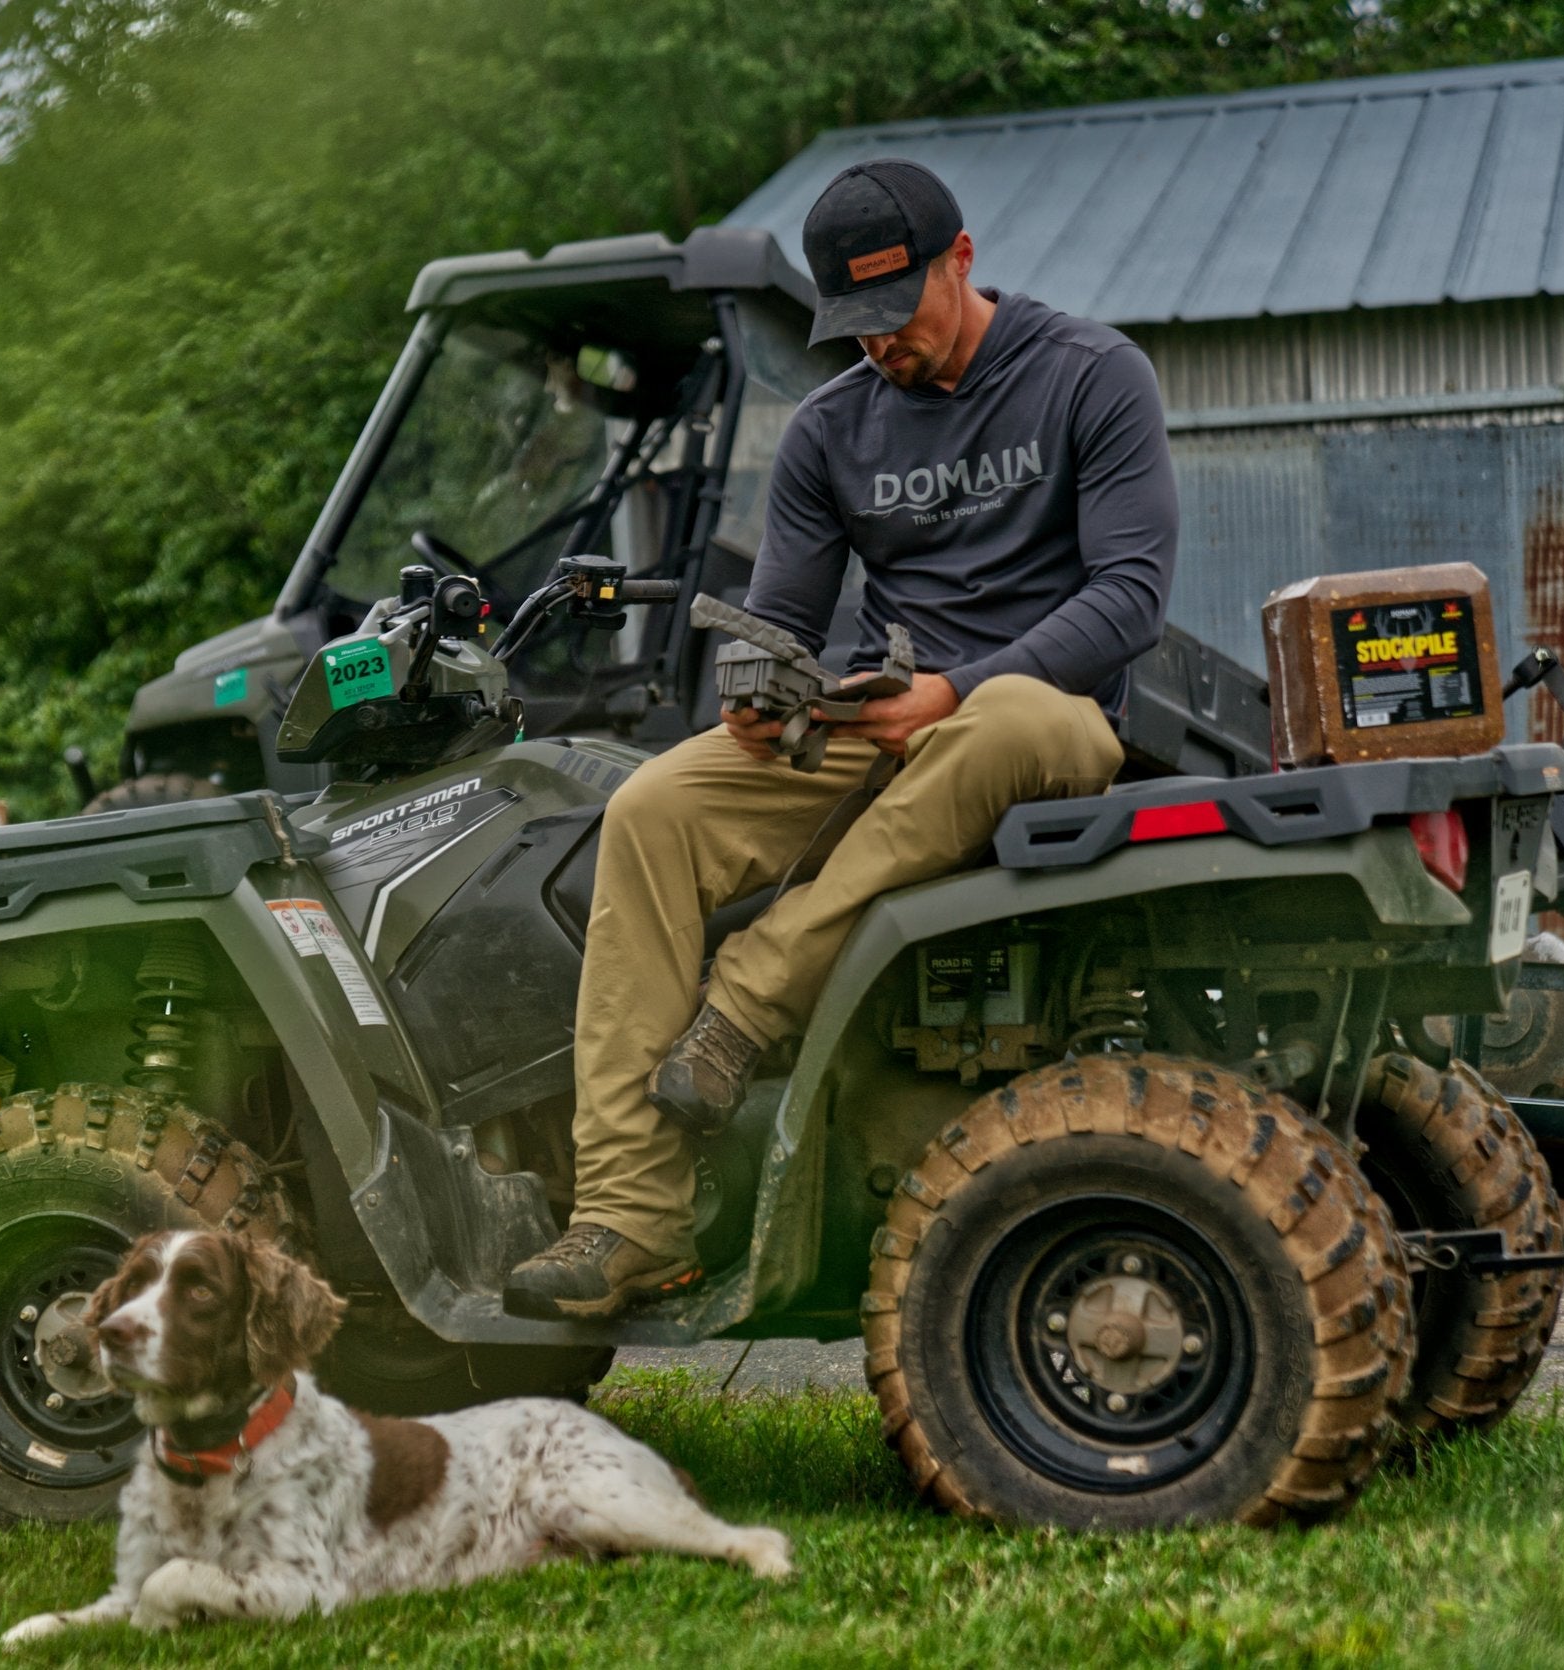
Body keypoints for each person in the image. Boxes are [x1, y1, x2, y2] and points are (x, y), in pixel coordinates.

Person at [504, 158, 1179, 1321]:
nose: (879, 343)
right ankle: (629, 1214)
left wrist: (957, 689)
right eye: (855, 323)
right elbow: (782, 618)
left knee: (1004, 715)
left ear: (959, 260)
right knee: (652, 808)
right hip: (880, 713)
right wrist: (762, 689)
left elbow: (1127, 598)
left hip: (1040, 717)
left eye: (896, 312)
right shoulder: (830, 428)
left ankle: (750, 997)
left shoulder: (1090, 374)